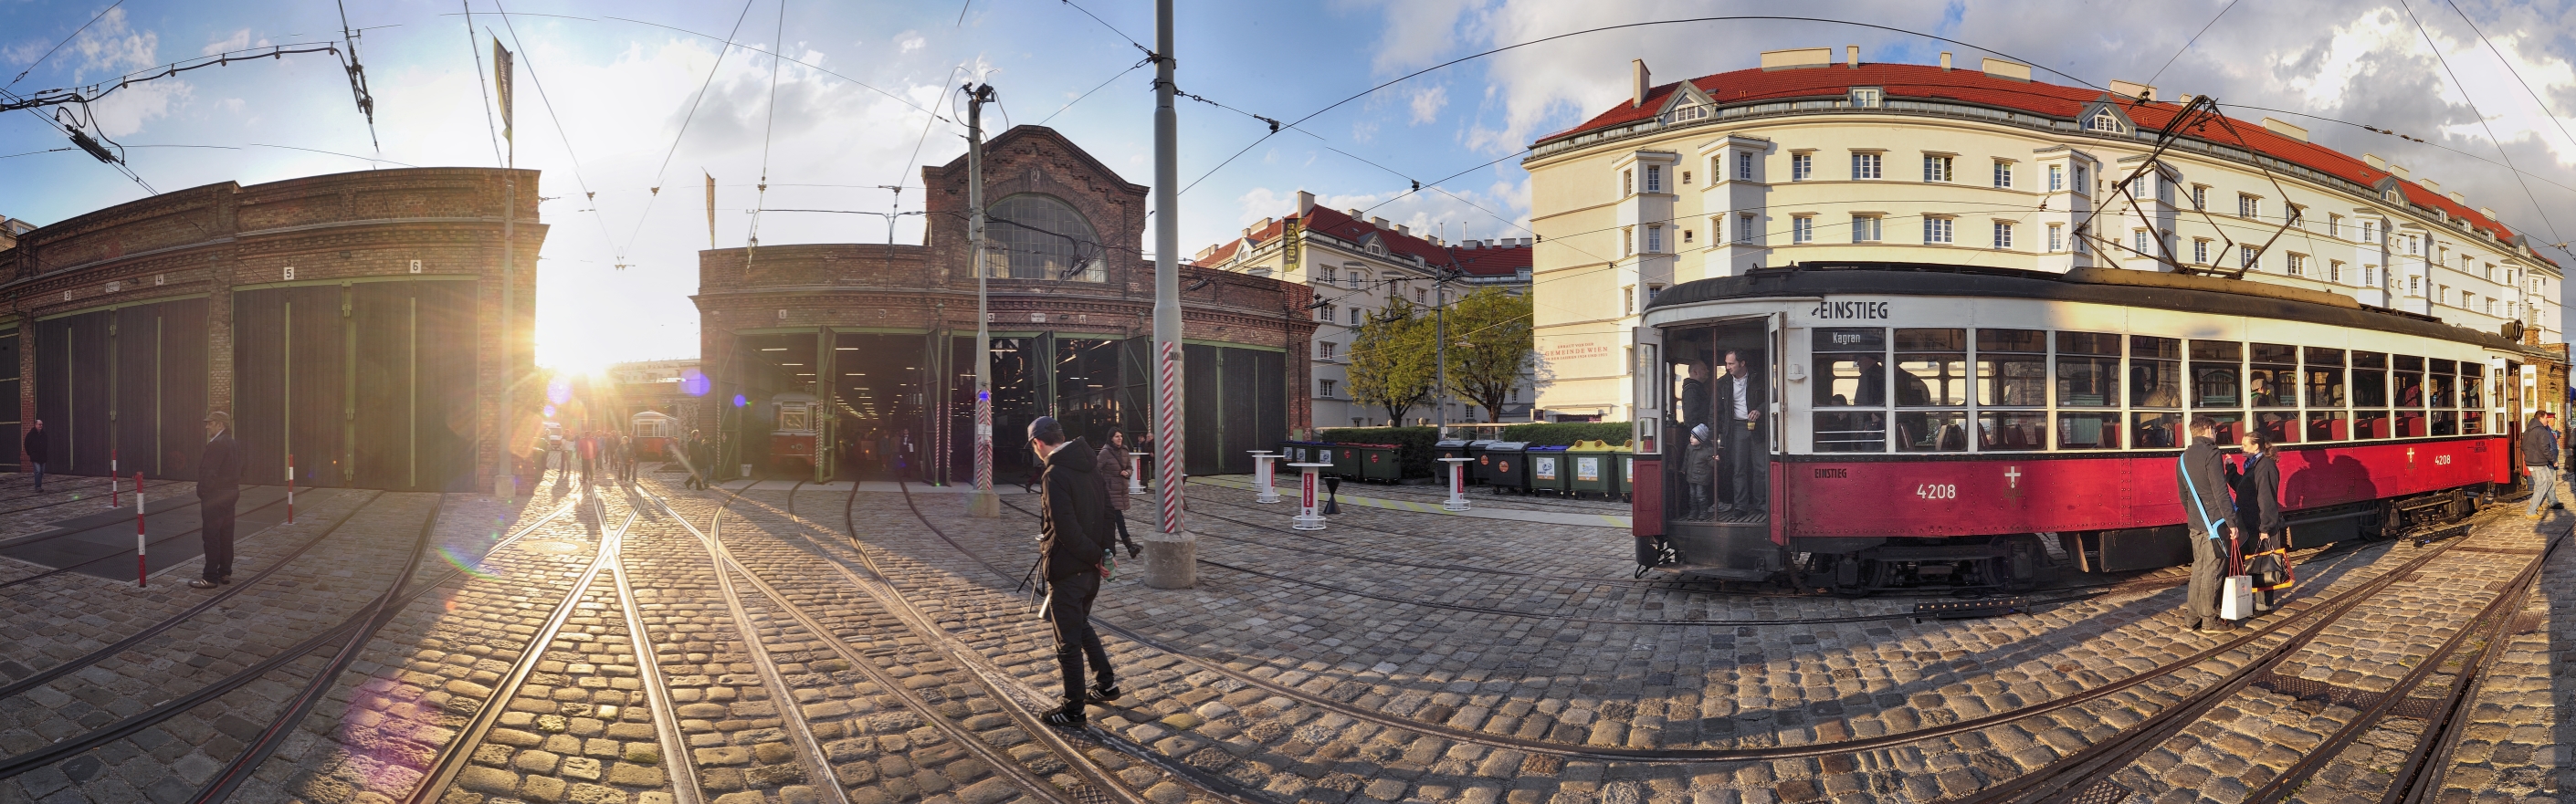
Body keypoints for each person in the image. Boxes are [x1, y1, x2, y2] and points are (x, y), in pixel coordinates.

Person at [1027, 416, 1119, 727]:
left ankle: (1073, 707)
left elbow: (1064, 527)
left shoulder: (1054, 473)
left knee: (1066, 641)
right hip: (1090, 569)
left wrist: (1095, 557)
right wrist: (1105, 553)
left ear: (1038, 443)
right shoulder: (1089, 464)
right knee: (1081, 626)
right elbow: (1108, 511)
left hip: (1069, 568)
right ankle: (1106, 684)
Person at [2176, 416, 2235, 632]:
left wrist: (2194, 515)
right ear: (2209, 429)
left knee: (2199, 569)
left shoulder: (2182, 458)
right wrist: (2232, 522)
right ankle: (2210, 619)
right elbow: (2221, 492)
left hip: (2196, 522)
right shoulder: (2212, 454)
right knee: (2214, 571)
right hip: (2216, 523)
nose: (2216, 434)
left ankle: (2192, 618)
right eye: (2215, 430)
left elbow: (2183, 494)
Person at [2228, 433, 2289, 611]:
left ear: (2256, 447)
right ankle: (2251, 602)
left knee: (2263, 563)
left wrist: (2266, 527)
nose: (2241, 448)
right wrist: (2231, 469)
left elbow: (2267, 499)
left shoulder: (2265, 466)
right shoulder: (2254, 465)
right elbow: (2243, 488)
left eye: (2245, 445)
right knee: (2253, 563)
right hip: (2249, 523)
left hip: (2259, 524)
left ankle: (2264, 605)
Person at [190, 412, 242, 590]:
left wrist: (203, 492)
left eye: (210, 423)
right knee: (226, 534)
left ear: (220, 425)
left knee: (211, 536)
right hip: (231, 493)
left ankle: (210, 577)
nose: (207, 426)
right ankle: (225, 572)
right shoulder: (233, 443)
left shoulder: (217, 444)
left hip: (216, 495)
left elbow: (208, 471)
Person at [1715, 349, 1767, 520]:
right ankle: (1740, 507)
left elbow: (1773, 398)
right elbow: (1715, 410)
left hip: (1758, 427)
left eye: (1731, 363)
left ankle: (1762, 505)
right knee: (1739, 469)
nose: (1727, 367)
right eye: (1727, 363)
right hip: (1736, 427)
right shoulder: (1722, 383)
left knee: (1761, 467)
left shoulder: (1759, 378)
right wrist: (1714, 434)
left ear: (1742, 363)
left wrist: (1759, 410)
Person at [1095, 430, 1141, 558]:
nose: (1120, 438)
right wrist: (1104, 483)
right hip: (1109, 493)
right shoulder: (1105, 453)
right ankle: (1129, 546)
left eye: (1121, 436)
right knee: (1118, 519)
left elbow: (1130, 467)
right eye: (1117, 436)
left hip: (1121, 491)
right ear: (1111, 438)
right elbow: (1095, 469)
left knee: (1112, 521)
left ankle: (1109, 548)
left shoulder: (1125, 451)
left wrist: (1127, 473)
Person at [2524, 411, 2560, 520]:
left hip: (2535, 461)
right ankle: (2531, 512)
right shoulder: (2542, 431)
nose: (2547, 420)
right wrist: (2553, 460)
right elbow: (2545, 449)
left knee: (2549, 481)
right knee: (2541, 485)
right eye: (2545, 418)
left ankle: (2536, 502)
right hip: (2538, 463)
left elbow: (2522, 446)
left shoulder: (2527, 431)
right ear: (2540, 419)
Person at [1684, 423, 1718, 519]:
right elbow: (1686, 459)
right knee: (1692, 495)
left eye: (1694, 437)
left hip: (1702, 477)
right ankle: (1693, 511)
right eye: (1691, 436)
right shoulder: (1689, 448)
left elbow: (1712, 464)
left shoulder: (1707, 451)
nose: (1691, 438)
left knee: (1700, 495)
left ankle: (1703, 512)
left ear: (1701, 439)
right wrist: (1683, 469)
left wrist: (1715, 460)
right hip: (1691, 476)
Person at [1677, 359, 1711, 431]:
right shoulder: (1691, 390)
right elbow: (1691, 416)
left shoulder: (1698, 388)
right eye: (1703, 369)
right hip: (1698, 433)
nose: (1707, 371)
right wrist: (1698, 433)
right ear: (1695, 372)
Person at [22, 419, 47, 494]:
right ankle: (38, 487)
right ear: (35, 425)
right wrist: (30, 453)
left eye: (42, 424)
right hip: (35, 456)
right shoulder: (30, 434)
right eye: (39, 424)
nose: (41, 426)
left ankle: (39, 484)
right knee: (38, 471)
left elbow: (46, 444)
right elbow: (26, 444)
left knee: (42, 471)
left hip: (43, 456)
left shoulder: (44, 434)